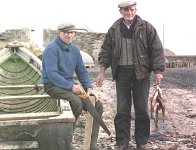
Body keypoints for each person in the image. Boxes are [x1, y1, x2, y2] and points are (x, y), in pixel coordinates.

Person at [95, 0, 165, 150]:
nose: (129, 13)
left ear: (135, 10)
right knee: (122, 109)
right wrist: (101, 72)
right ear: (120, 11)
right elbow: (106, 51)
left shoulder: (146, 27)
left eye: (132, 9)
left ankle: (141, 142)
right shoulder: (114, 29)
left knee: (141, 108)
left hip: (141, 74)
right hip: (122, 74)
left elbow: (157, 49)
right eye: (126, 10)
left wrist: (158, 71)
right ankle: (122, 142)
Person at [42, 22, 103, 150]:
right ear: (59, 33)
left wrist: (89, 88)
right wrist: (71, 87)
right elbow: (51, 74)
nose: (69, 35)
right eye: (66, 33)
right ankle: (67, 143)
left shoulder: (74, 49)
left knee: (97, 105)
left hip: (68, 85)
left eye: (72, 33)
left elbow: (81, 71)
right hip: (52, 85)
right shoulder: (51, 49)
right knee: (76, 103)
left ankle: (91, 144)